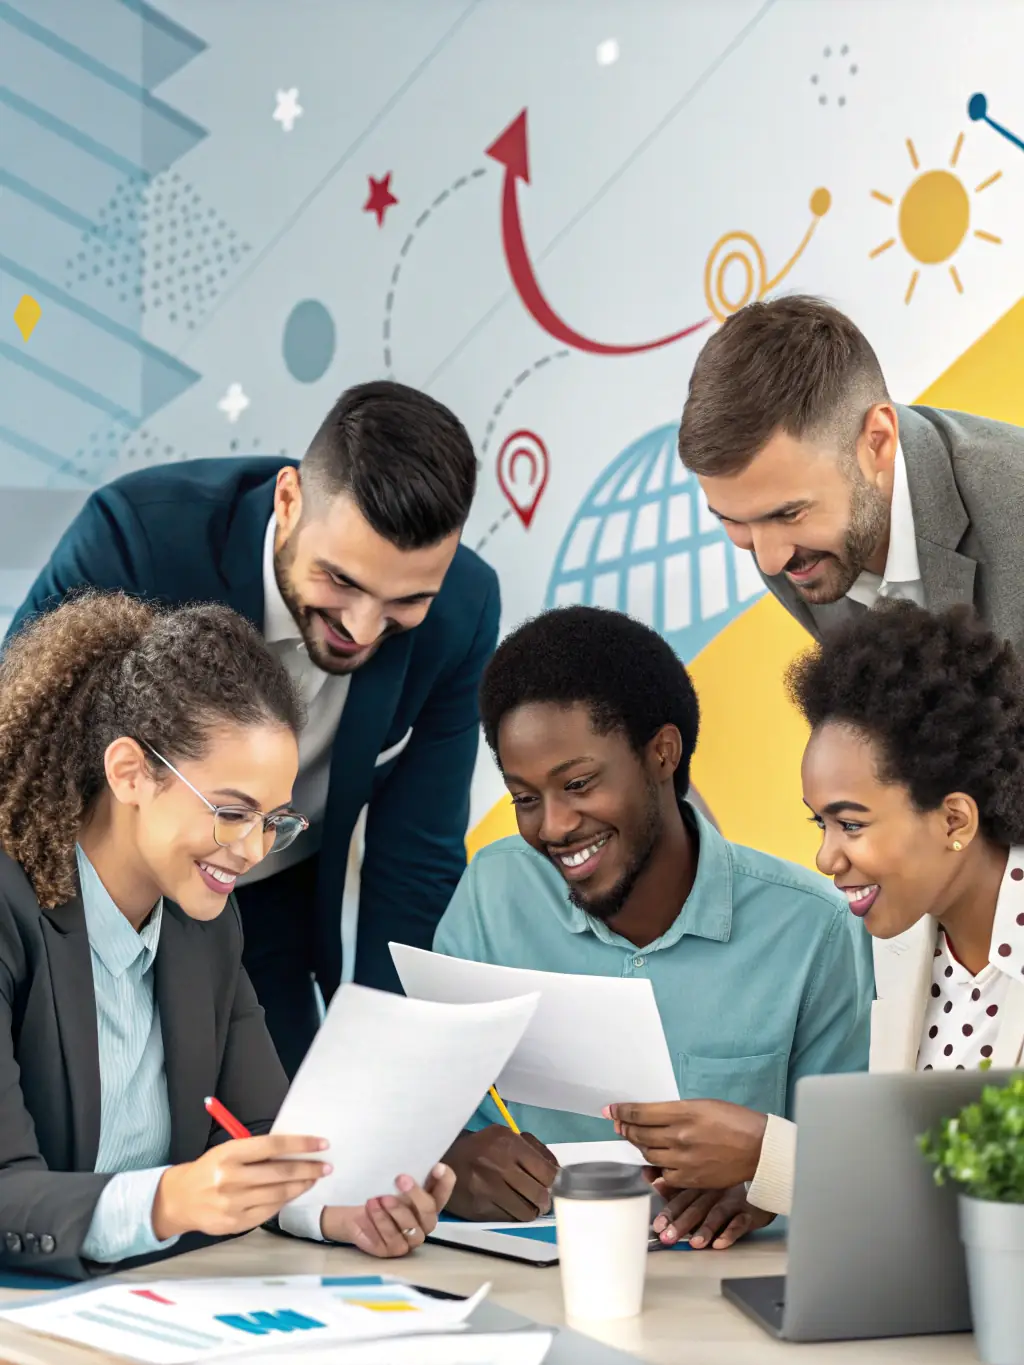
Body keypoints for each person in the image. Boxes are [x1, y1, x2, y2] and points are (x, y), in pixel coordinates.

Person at [8, 381, 499, 1076]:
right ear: (289, 499)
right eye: (341, 581)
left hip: (268, 919)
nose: (362, 629)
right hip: (92, 904)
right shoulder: (137, 540)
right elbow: (25, 753)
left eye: (406, 601)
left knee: (287, 1151)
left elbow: (414, 867)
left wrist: (389, 1077)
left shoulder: (464, 614)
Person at [0, 592, 454, 1280]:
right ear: (129, 772)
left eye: (274, 820)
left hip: (153, 1307)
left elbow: (261, 1135)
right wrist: (169, 1199)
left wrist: (337, 1209)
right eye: (233, 812)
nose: (252, 850)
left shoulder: (203, 926)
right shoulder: (10, 908)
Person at [434, 606, 871, 1249]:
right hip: (521, 1280)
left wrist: (764, 1186)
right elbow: (414, 1111)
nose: (552, 826)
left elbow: (855, 1167)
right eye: (525, 797)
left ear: (662, 753)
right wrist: (454, 1160)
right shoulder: (493, 893)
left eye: (578, 783)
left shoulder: (815, 929)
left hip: (725, 1294)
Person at [722, 599, 1024, 1220]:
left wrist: (773, 1158)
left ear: (954, 819)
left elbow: (997, 1194)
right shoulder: (898, 946)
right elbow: (905, 1181)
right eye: (820, 823)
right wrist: (767, 1190)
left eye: (850, 824)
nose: (826, 856)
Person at [677, 294, 1024, 650]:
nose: (769, 562)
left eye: (790, 514)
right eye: (731, 521)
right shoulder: (773, 528)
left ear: (877, 442)